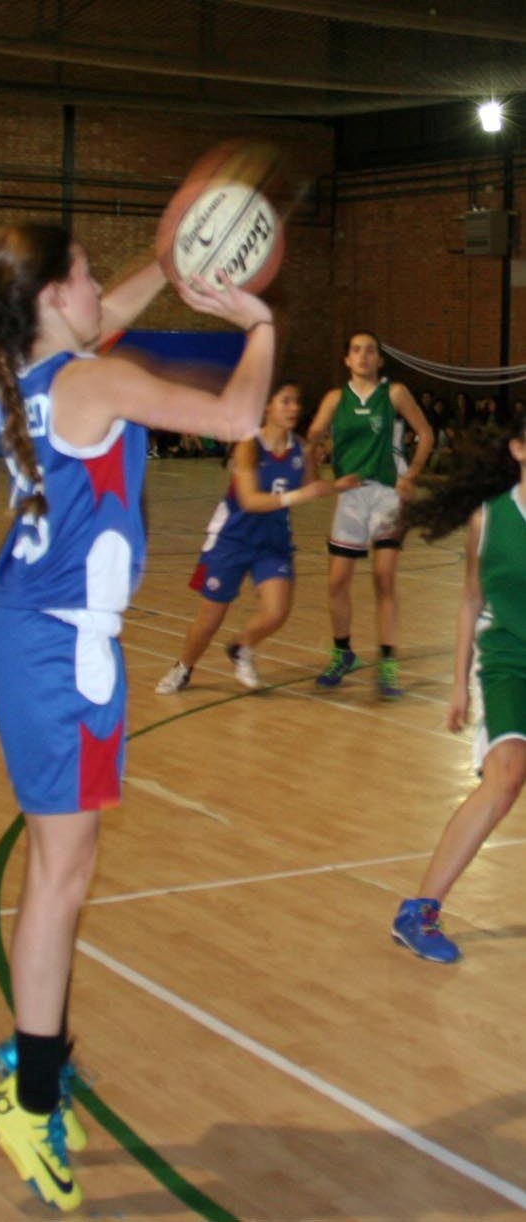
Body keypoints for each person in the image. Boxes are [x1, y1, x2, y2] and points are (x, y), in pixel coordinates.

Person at [0, 220, 275, 1210]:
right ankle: (29, 1095)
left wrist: (173, 268)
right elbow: (237, 416)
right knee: (63, 874)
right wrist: (259, 323)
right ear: (57, 295)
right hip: (56, 647)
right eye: (89, 274)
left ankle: (36, 1046)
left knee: (60, 867)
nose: (104, 286)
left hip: (42, 634)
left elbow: (105, 319)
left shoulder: (25, 371)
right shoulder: (93, 383)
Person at [391, 413, 526, 962]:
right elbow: (471, 600)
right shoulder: (488, 518)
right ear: (518, 449)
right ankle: (418, 911)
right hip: (507, 660)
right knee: (506, 776)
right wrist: (458, 686)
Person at [155, 381, 359, 693]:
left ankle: (242, 646)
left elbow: (311, 487)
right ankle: (183, 668)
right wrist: (299, 495)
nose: (293, 408)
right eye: (285, 401)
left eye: (297, 402)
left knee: (277, 611)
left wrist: (337, 484)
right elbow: (250, 501)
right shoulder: (249, 445)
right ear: (268, 406)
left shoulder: (300, 448)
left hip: (272, 541)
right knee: (209, 620)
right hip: (233, 539)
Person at [307, 331, 433, 698]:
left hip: (387, 495)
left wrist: (411, 475)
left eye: (370, 351)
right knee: (337, 582)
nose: (363, 356)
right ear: (346, 359)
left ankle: (388, 664)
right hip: (351, 495)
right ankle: (343, 653)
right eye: (356, 350)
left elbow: (425, 434)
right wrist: (316, 454)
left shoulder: (394, 393)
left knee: (384, 578)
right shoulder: (335, 399)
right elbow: (313, 436)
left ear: (380, 359)